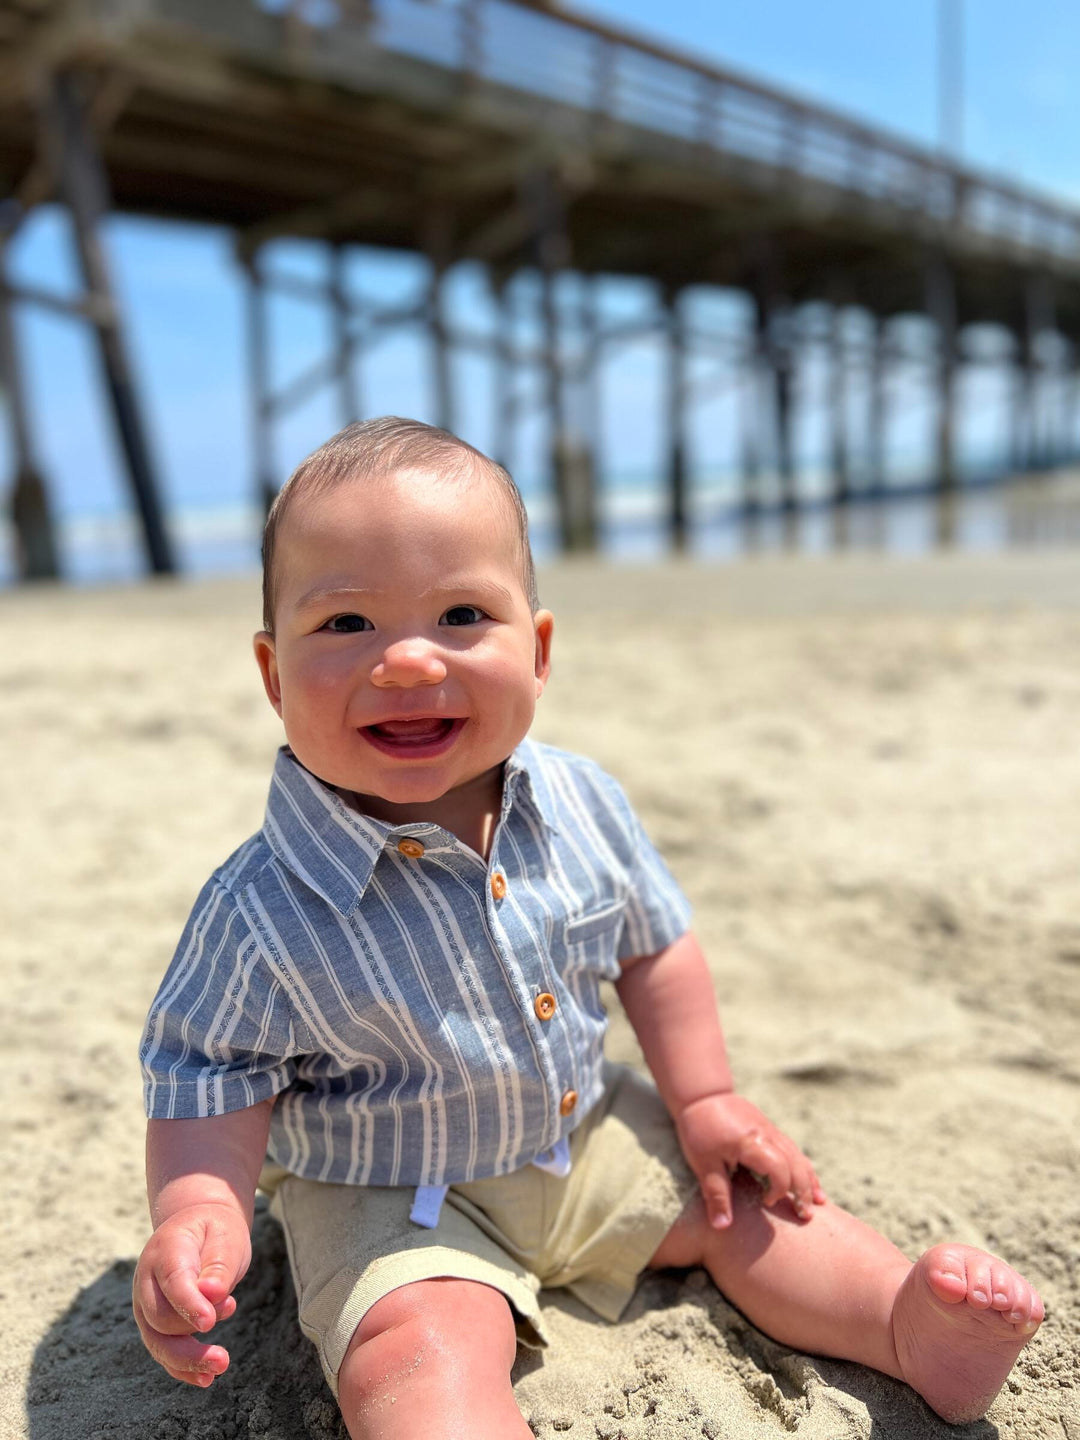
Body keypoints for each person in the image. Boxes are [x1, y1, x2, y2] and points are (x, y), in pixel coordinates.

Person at [133, 417, 1043, 1439]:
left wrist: (703, 1098)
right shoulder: (262, 906)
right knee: (412, 1350)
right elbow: (208, 1070)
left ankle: (903, 1325)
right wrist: (199, 1209)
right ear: (271, 675)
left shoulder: (580, 802)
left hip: (585, 1127)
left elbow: (653, 943)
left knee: (753, 1208)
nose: (405, 660)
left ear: (540, 649)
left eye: (463, 613)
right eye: (347, 624)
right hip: (395, 1195)